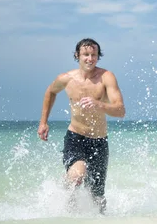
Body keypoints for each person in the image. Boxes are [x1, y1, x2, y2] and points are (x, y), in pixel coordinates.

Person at [37, 38, 126, 213]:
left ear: (98, 57)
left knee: (97, 197)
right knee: (77, 176)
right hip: (75, 137)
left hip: (99, 142)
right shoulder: (66, 79)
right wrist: (43, 122)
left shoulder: (106, 77)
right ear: (78, 55)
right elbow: (50, 92)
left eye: (93, 55)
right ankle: (63, 205)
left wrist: (99, 104)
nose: (90, 58)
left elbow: (120, 110)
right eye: (86, 54)